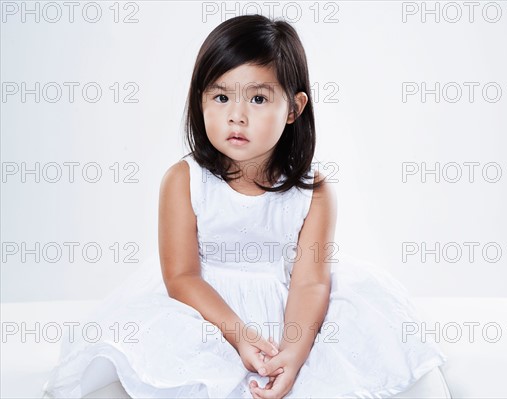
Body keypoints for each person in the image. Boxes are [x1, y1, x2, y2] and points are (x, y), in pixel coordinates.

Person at [42, 14, 447, 399]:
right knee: (156, 363)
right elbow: (182, 277)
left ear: (293, 108)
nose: (236, 115)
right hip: (203, 310)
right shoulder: (185, 180)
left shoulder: (314, 191)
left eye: (257, 98)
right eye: (221, 96)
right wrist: (239, 334)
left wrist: (293, 352)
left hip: (289, 310)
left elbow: (310, 282)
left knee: (357, 339)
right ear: (199, 101)